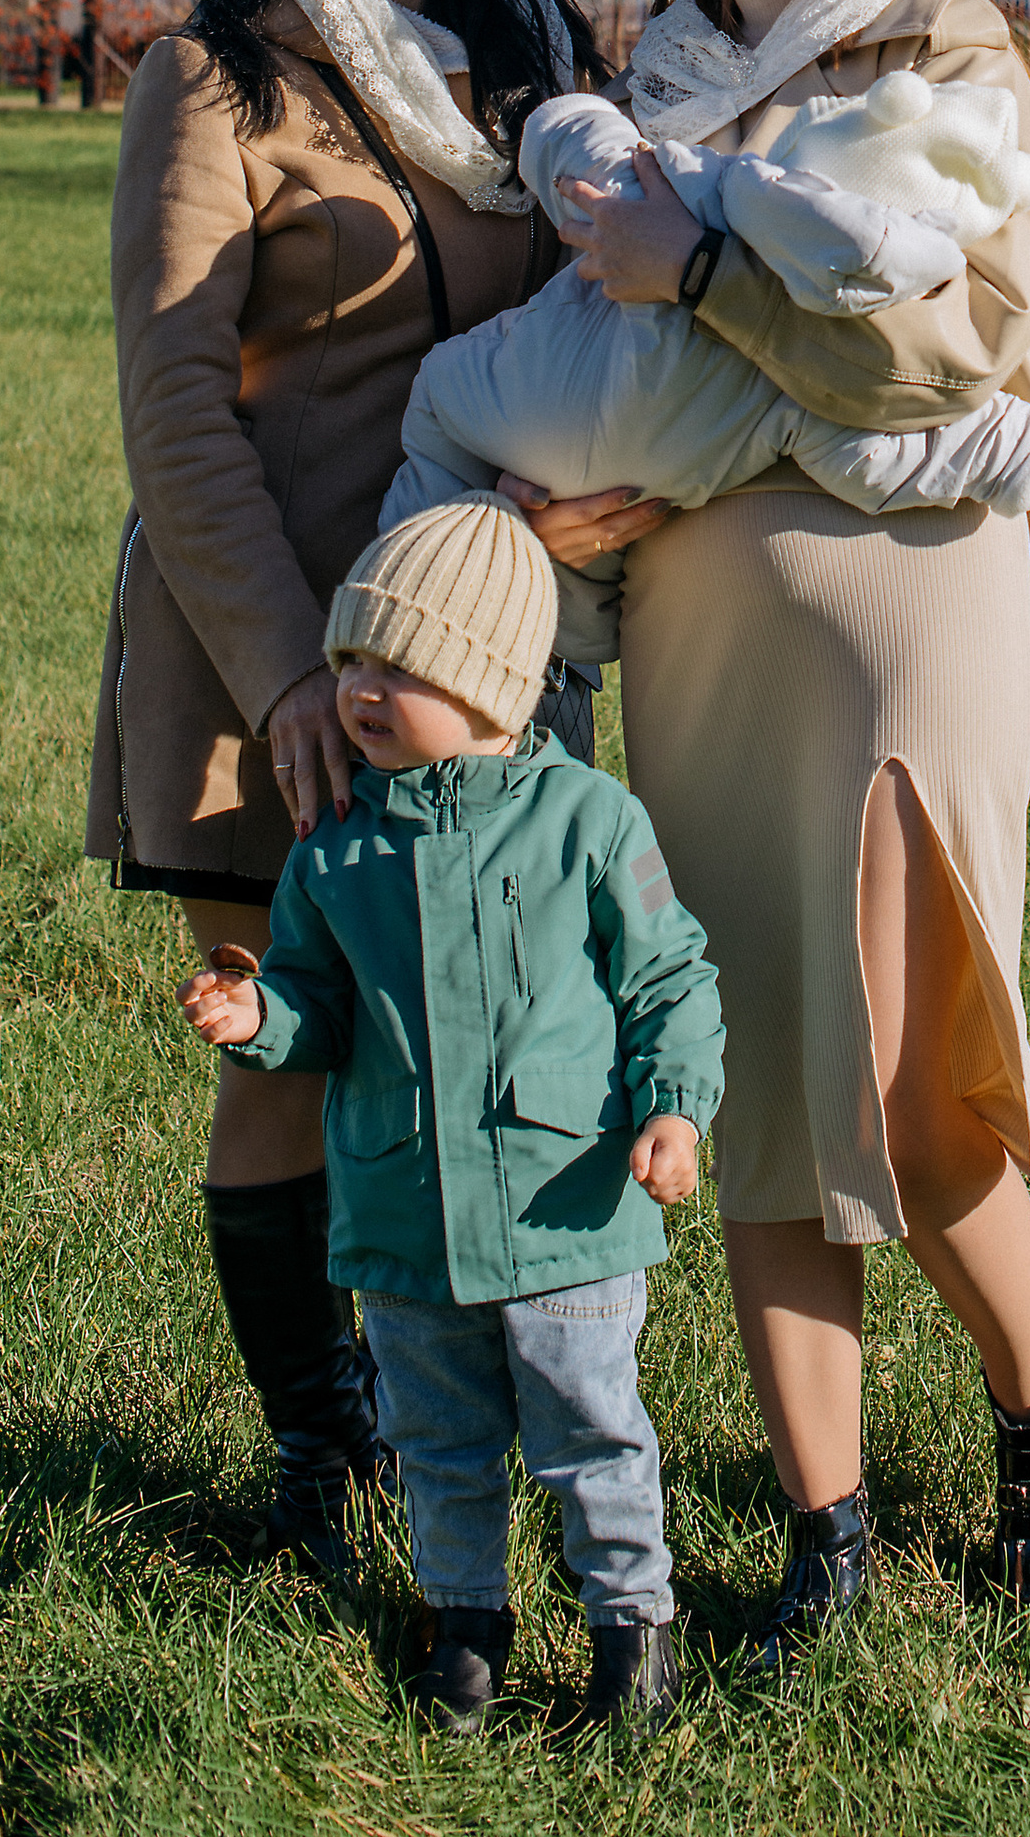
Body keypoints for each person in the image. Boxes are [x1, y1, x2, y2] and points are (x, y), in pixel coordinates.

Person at [91, 0, 674, 1567]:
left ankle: (489, 1444)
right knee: (302, 1056)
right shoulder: (220, 81)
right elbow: (176, 407)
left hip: (491, 674)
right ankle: (316, 1465)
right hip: (263, 650)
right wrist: (282, 681)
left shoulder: (528, 91)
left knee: (496, 1044)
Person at [562, 0, 1030, 1665]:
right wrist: (579, 482)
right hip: (705, 625)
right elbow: (603, 361)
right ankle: (825, 1532)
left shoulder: (945, 58)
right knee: (752, 1075)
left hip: (912, 609)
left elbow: (949, 363)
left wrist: (699, 276)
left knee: (909, 1056)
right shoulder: (665, 68)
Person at [178, 499, 726, 1737]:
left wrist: (675, 1112)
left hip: (565, 1212)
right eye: (349, 659)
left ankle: (631, 1633)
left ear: (490, 684)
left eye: (398, 665)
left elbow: (670, 980)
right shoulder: (336, 856)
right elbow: (321, 1010)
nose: (359, 692)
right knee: (440, 1440)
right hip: (406, 1220)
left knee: (590, 1430)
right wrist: (259, 1016)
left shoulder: (590, 820)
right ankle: (465, 1627)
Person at [379, 81, 1030, 671]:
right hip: (631, 484)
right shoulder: (796, 381)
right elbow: (869, 455)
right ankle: (548, 627)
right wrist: (1016, 450)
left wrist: (549, 129)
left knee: (438, 406)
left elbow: (590, 154)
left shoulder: (707, 189)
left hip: (553, 399)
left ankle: (391, 613)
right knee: (576, 610)